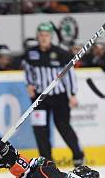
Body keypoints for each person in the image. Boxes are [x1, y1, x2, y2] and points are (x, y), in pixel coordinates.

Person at [22, 22, 84, 166]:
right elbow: (27, 70)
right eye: (41, 35)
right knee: (40, 130)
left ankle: (78, 155)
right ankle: (47, 161)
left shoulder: (61, 53)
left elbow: (70, 74)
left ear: (51, 37)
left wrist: (73, 94)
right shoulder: (31, 53)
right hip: (39, 97)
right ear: (37, 36)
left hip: (59, 97)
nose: (44, 38)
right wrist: (29, 84)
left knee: (63, 126)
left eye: (47, 35)